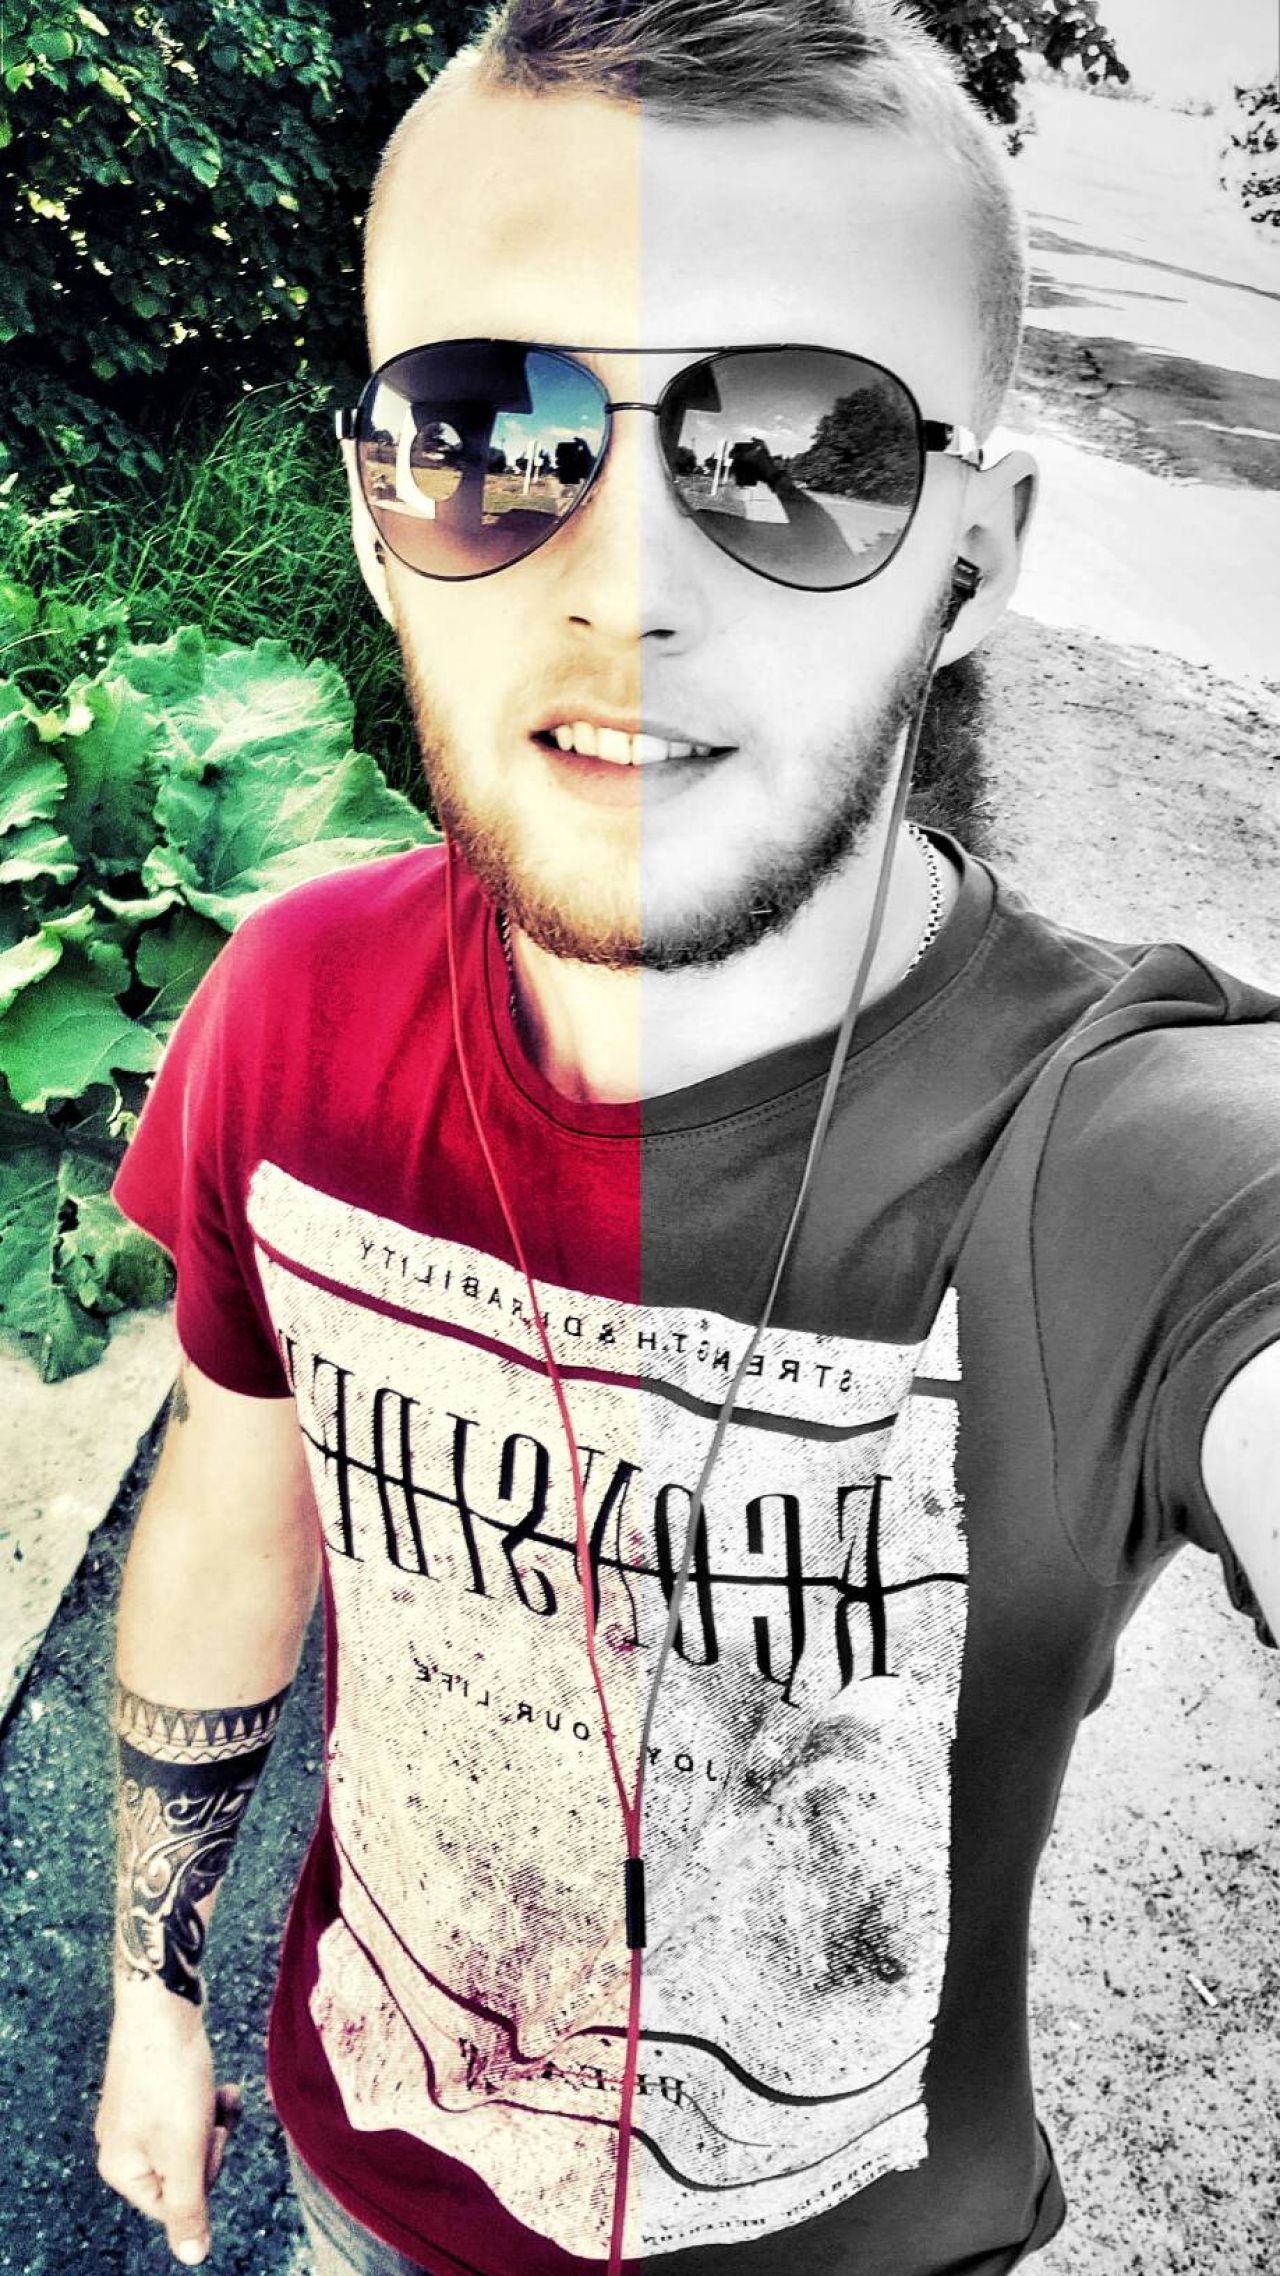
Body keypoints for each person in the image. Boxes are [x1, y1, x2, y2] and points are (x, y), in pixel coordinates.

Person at [92, 1, 1280, 2272]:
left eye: (800, 451)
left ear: (976, 556)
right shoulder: (294, 1009)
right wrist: (152, 1991)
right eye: (487, 433)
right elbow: (237, 1523)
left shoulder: (1129, 1156)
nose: (625, 585)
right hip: (375, 2196)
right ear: (375, 522)